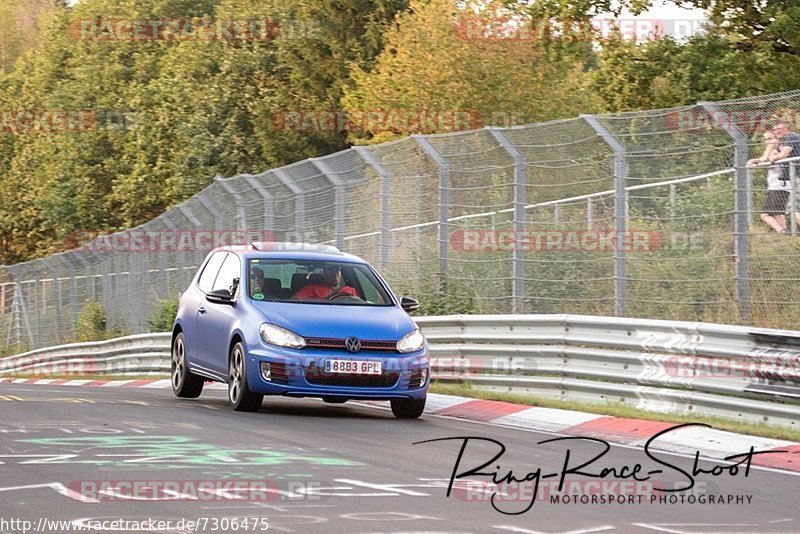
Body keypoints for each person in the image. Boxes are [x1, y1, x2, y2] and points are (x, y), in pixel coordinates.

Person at [748, 130, 791, 234]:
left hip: (779, 186)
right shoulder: (773, 150)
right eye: (766, 139)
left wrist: (757, 160)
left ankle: (782, 231)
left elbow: (766, 158)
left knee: (765, 214)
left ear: (777, 139)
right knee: (778, 213)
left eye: (770, 139)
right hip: (774, 186)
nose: (767, 142)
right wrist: (754, 160)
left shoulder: (776, 151)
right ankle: (784, 234)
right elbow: (763, 158)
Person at [291, 265, 360, 300]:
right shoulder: (312, 288)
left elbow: (361, 305)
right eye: (330, 269)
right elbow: (294, 301)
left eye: (337, 269)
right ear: (322, 273)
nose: (335, 273)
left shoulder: (350, 290)